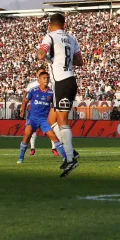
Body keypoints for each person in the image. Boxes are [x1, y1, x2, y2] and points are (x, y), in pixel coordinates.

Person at [36, 13, 83, 178]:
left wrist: (45, 56)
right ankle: (71, 151)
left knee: (62, 120)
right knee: (50, 121)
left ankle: (70, 158)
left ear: (50, 25)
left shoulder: (49, 36)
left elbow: (40, 55)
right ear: (64, 24)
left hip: (62, 82)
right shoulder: (71, 38)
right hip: (69, 80)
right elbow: (80, 61)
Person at [17, 72, 68, 167]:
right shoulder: (33, 91)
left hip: (44, 120)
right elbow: (25, 101)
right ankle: (21, 157)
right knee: (27, 136)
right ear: (39, 80)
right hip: (32, 119)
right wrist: (22, 110)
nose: (46, 79)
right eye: (44, 78)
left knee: (53, 136)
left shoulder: (51, 93)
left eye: (47, 78)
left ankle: (65, 157)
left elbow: (55, 106)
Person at [21, 66, 59, 157]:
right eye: (40, 73)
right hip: (34, 112)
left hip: (46, 112)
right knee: (31, 131)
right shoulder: (31, 85)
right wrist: (22, 108)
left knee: (52, 130)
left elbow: (53, 99)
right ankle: (32, 148)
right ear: (37, 75)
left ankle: (54, 148)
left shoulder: (49, 86)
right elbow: (25, 97)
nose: (44, 78)